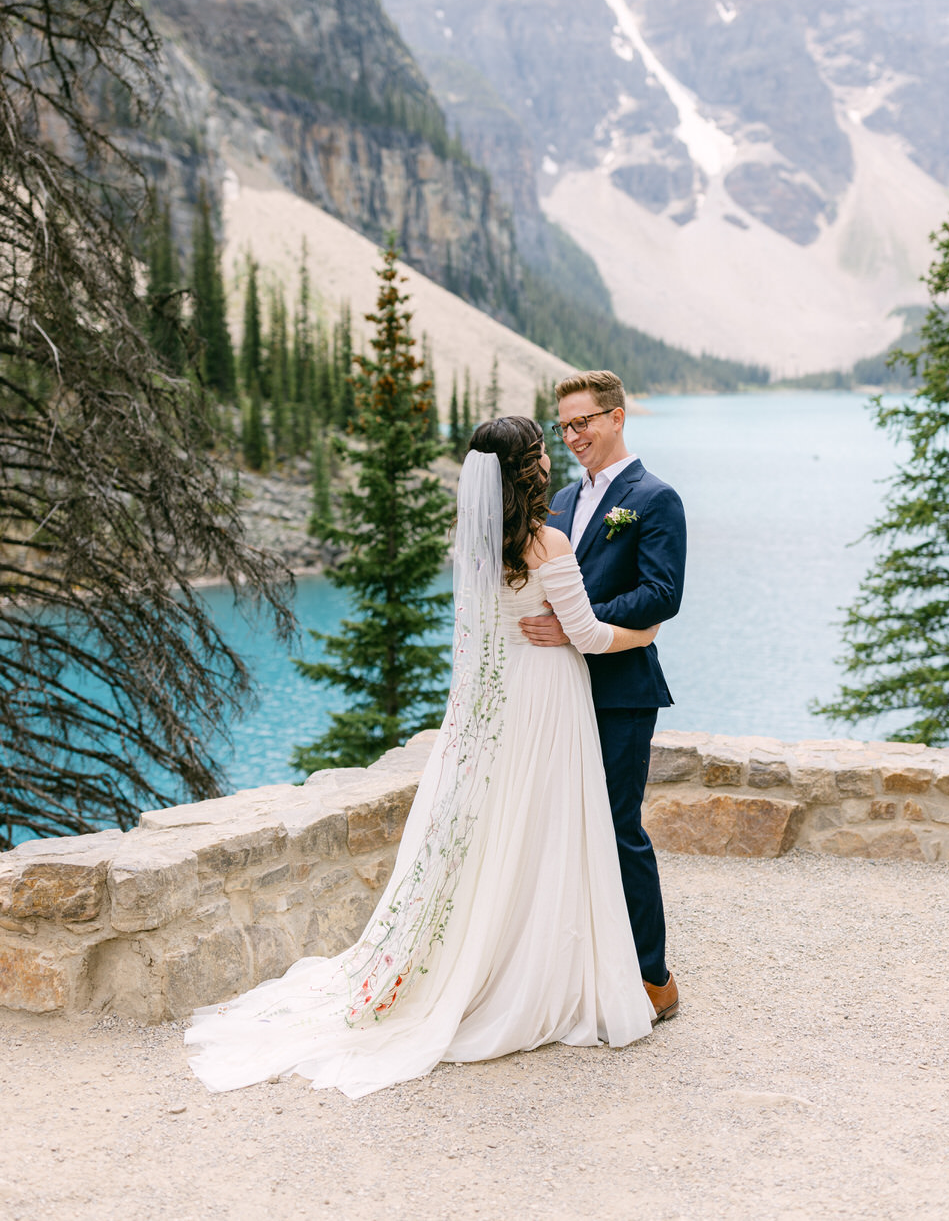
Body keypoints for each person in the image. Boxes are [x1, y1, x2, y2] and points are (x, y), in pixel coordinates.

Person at [185, 417, 664, 1099]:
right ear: (528, 469)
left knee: (498, 835)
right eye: (539, 452)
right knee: (547, 833)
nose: (550, 460)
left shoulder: (474, 542)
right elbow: (584, 634)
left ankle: (482, 962)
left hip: (496, 707)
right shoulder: (546, 540)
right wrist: (640, 630)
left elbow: (473, 640)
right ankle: (535, 977)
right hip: (546, 698)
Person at [519, 371, 686, 1022]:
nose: (572, 435)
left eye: (583, 421)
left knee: (619, 831)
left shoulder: (655, 498)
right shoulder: (559, 500)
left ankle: (653, 979)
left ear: (617, 418)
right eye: (563, 426)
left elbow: (661, 595)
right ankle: (585, 964)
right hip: (557, 693)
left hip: (621, 692)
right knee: (567, 828)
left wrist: (578, 624)